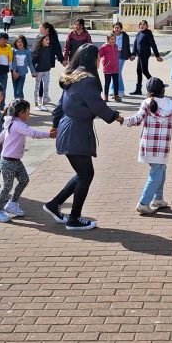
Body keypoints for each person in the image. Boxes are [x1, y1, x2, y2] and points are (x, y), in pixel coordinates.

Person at [44, 44, 124, 231]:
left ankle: (54, 204)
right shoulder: (87, 80)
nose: (99, 61)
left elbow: (58, 106)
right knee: (86, 174)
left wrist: (56, 125)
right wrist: (115, 116)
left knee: (83, 173)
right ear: (92, 59)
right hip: (76, 131)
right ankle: (74, 218)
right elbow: (97, 105)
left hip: (68, 128)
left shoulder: (72, 77)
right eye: (98, 58)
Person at [126, 77, 172, 215]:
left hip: (148, 145)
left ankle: (158, 199)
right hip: (162, 147)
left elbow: (137, 119)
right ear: (163, 90)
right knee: (157, 173)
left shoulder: (146, 103)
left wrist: (123, 120)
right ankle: (143, 203)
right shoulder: (170, 104)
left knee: (161, 170)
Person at [0, 99, 56, 222]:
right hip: (8, 161)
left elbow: (3, 134)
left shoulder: (11, 122)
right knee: (7, 187)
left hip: (14, 160)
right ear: (21, 113)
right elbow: (33, 133)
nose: (29, 114)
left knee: (24, 180)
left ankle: (12, 203)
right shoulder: (18, 124)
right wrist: (49, 135)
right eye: (27, 112)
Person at [132, 20, 163, 95]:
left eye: (144, 24)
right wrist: (133, 54)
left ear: (147, 26)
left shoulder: (148, 33)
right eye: (141, 24)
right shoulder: (139, 33)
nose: (142, 26)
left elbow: (153, 45)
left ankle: (156, 86)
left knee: (145, 71)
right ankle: (138, 90)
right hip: (140, 55)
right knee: (138, 71)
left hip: (145, 54)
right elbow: (135, 44)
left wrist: (157, 55)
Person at [31, 33, 57, 111]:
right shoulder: (37, 49)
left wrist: (50, 65)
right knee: (37, 87)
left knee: (46, 87)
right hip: (38, 71)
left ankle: (43, 104)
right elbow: (33, 61)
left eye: (48, 39)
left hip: (47, 70)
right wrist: (33, 71)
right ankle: (36, 104)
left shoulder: (49, 48)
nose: (48, 41)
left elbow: (51, 58)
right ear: (41, 40)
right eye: (46, 39)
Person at [0, 32, 14, 103]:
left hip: (3, 72)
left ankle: (2, 105)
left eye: (0, 39)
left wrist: (12, 71)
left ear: (5, 40)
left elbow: (10, 60)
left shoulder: (9, 48)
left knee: (2, 89)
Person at [10, 35, 33, 102]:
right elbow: (12, 62)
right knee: (15, 90)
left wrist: (33, 72)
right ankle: (17, 103)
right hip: (14, 73)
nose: (20, 43)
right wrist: (13, 71)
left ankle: (21, 103)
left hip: (22, 74)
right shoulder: (13, 51)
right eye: (18, 41)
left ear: (24, 42)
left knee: (19, 90)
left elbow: (30, 63)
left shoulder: (28, 51)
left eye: (21, 41)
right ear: (15, 43)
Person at [112, 22, 132, 98]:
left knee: (118, 72)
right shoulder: (111, 36)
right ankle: (112, 89)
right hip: (112, 55)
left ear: (121, 28)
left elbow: (127, 46)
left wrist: (130, 55)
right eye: (115, 28)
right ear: (113, 29)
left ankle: (121, 90)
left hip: (122, 54)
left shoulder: (125, 36)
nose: (116, 29)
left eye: (118, 28)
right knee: (113, 71)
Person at [98, 34, 120, 101]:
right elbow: (99, 55)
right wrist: (98, 63)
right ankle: (106, 96)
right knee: (107, 83)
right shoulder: (104, 47)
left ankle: (116, 96)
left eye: (114, 39)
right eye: (112, 39)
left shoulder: (116, 46)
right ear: (108, 40)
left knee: (116, 83)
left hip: (115, 68)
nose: (113, 41)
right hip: (107, 68)